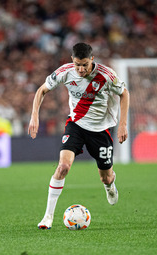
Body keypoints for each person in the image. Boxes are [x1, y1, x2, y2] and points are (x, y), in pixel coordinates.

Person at [28, 42, 129, 229]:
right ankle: (48, 217)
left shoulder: (106, 75)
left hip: (101, 129)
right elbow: (41, 90)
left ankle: (110, 186)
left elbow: (124, 94)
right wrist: (34, 116)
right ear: (72, 61)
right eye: (77, 65)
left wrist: (122, 124)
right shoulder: (65, 72)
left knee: (105, 177)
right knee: (63, 166)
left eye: (84, 64)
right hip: (75, 125)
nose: (81, 69)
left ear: (92, 59)